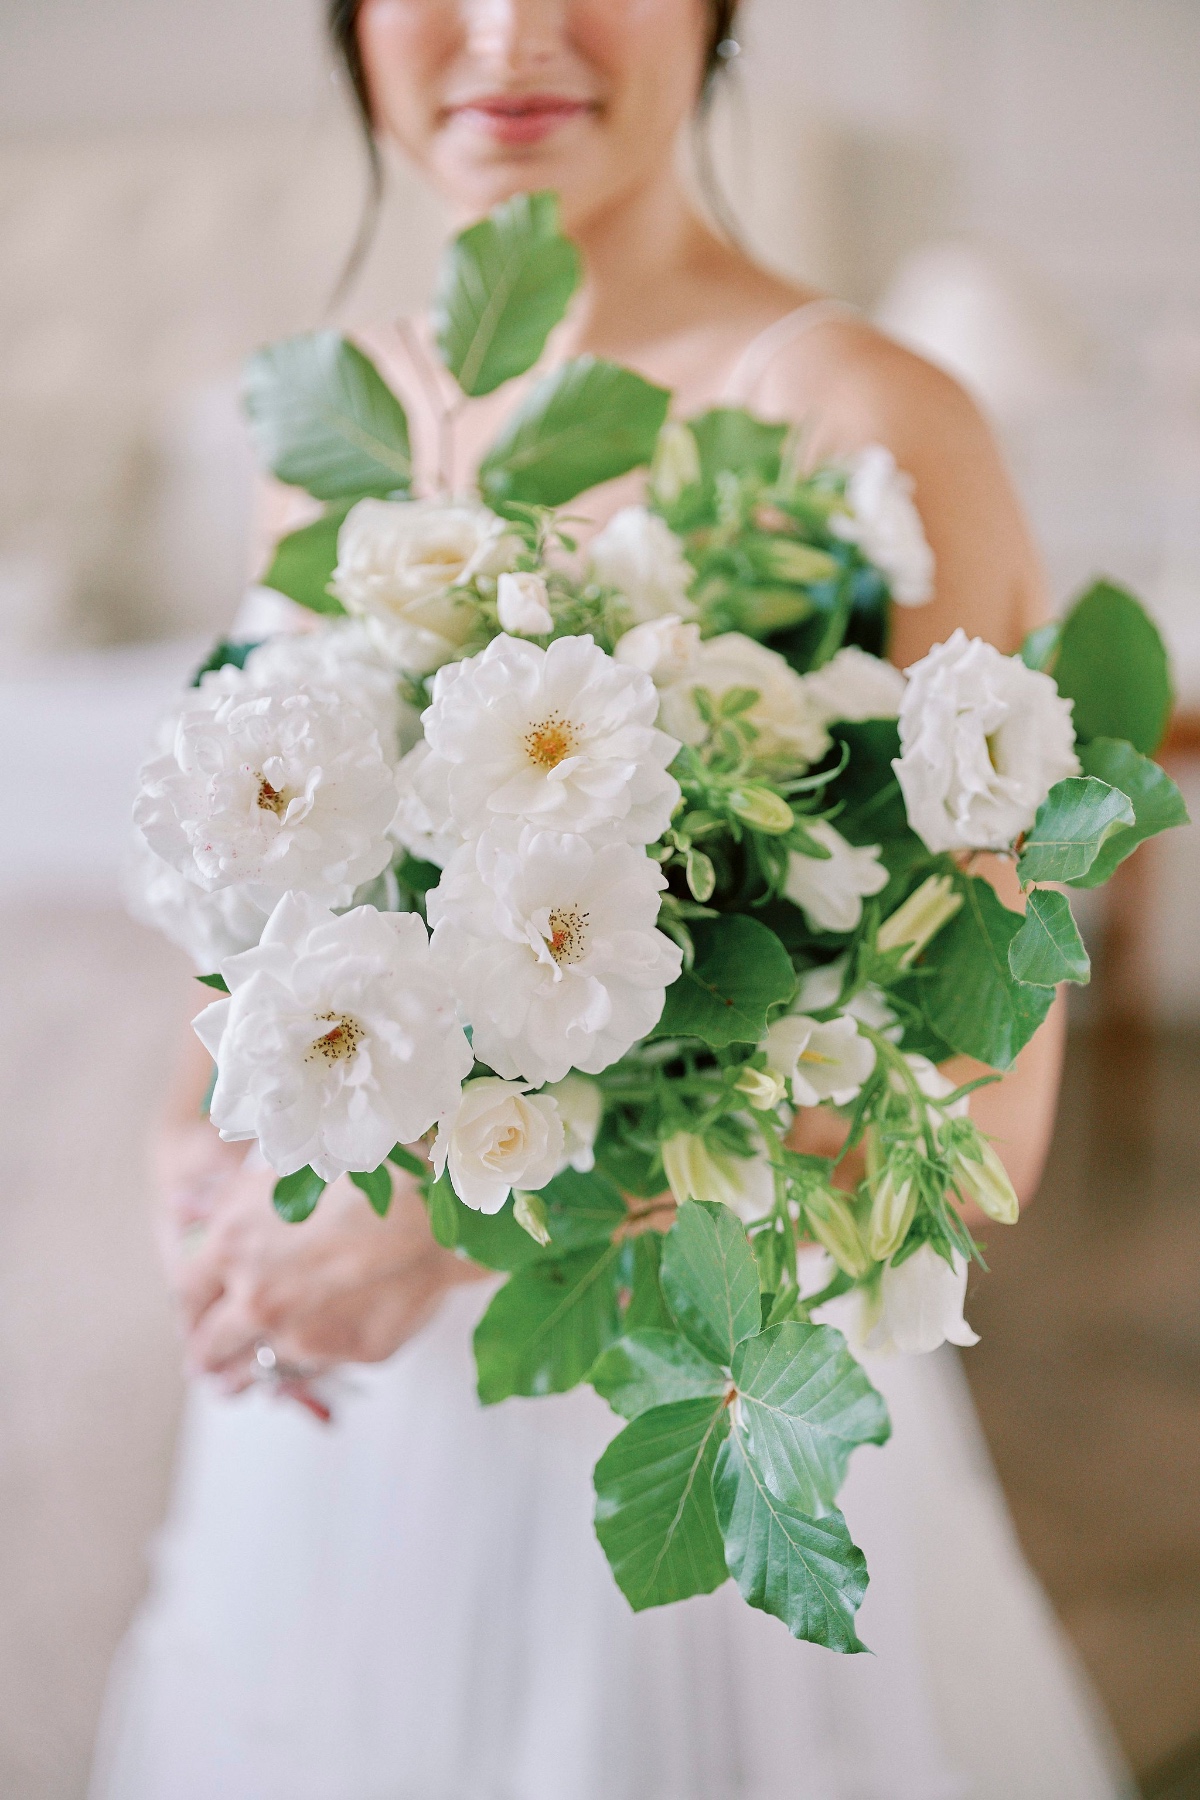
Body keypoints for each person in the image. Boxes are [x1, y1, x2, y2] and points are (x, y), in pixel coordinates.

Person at [91, 3, 1132, 1796]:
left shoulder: (873, 424)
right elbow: (254, 923)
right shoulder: (323, 419)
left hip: (672, 1411)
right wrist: (199, 1152)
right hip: (327, 1424)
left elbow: (985, 1118)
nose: (511, 34)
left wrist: (440, 1232)